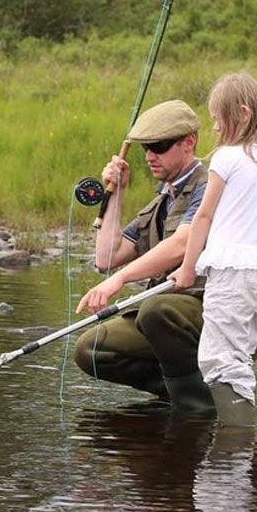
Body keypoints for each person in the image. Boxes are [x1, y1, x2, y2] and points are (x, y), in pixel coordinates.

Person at [169, 72, 257, 426]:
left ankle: (236, 443)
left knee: (218, 359)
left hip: (232, 275)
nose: (214, 127)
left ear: (242, 114)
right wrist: (252, 230)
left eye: (217, 118)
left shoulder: (226, 159)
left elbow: (203, 217)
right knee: (236, 356)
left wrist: (187, 267)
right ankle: (237, 446)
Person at [73, 99, 217, 414]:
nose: (151, 155)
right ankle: (181, 391)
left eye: (160, 146)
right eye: (146, 148)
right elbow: (106, 258)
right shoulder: (161, 201)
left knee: (156, 309)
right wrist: (118, 191)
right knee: (90, 350)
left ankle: (198, 407)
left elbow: (183, 243)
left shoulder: (209, 186)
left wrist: (119, 280)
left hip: (212, 308)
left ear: (188, 143)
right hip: (168, 315)